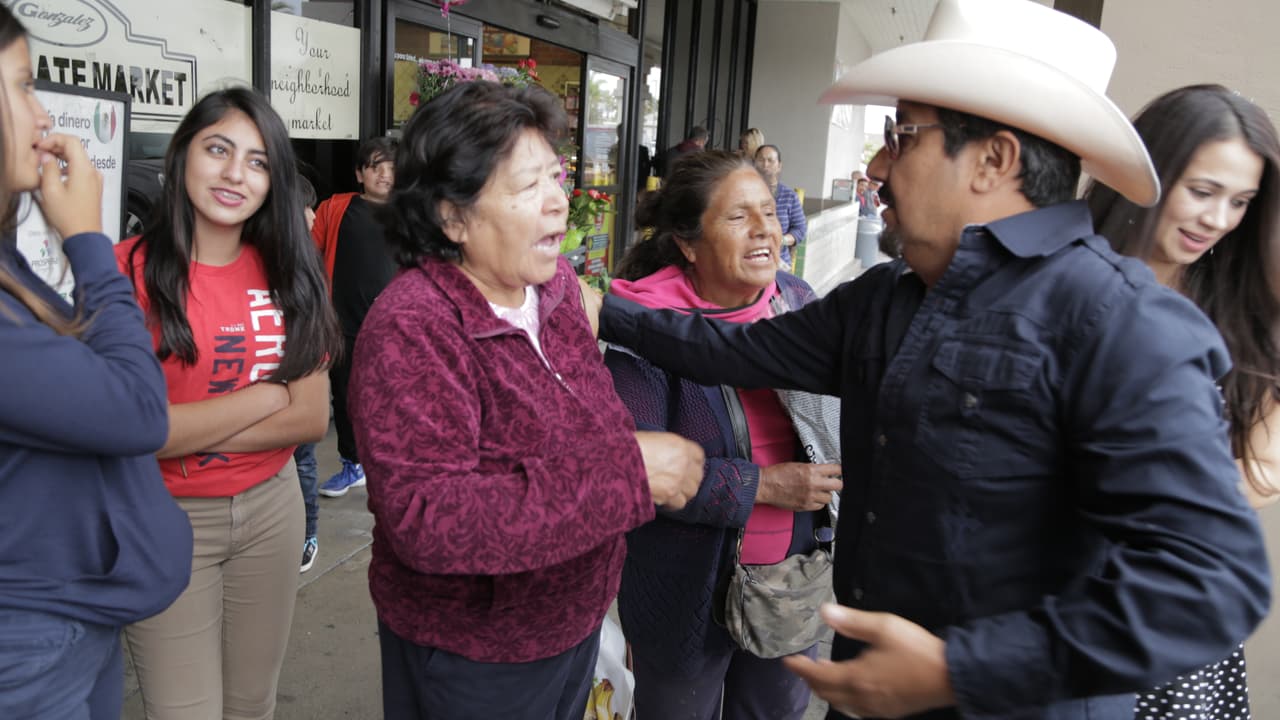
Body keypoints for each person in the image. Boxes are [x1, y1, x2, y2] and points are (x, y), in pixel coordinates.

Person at [590, 1, 1271, 718]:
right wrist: (605, 310)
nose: (879, 165)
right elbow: (727, 348)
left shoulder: (1123, 325)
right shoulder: (885, 299)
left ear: (994, 159)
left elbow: (1213, 582)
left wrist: (961, 670)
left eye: (902, 135)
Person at [347, 80, 704, 720]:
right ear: (450, 216)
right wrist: (624, 474)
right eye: (525, 187)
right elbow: (430, 520)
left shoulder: (555, 287)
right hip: (477, 657)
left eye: (555, 179)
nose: (558, 205)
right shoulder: (416, 326)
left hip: (573, 624)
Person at [117, 86, 342, 719]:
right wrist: (268, 393)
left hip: (273, 513)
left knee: (251, 705)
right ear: (182, 154)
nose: (234, 173)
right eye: (218, 149)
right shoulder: (122, 272)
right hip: (166, 518)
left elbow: (311, 419)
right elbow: (136, 431)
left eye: (257, 160)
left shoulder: (288, 273)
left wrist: (187, 427)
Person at [0, 7, 191, 718]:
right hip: (29, 639)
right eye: (21, 85)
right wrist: (88, 239)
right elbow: (139, 411)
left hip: (70, 620)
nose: (40, 112)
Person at [607, 149, 842, 719]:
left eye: (768, 211)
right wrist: (761, 486)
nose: (766, 228)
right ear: (689, 244)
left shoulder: (796, 303)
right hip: (683, 596)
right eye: (738, 217)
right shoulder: (642, 328)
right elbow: (635, 472)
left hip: (790, 584)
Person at [1087, 83, 1280, 720]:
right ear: (1144, 171)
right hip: (1047, 595)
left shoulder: (1239, 308)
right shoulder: (1065, 280)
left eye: (1241, 202)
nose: (1218, 220)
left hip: (1170, 609)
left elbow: (1257, 474)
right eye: (1202, 192)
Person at [314, 136, 398, 499]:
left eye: (391, 168)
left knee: (395, 395)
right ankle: (353, 464)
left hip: (394, 328)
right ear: (359, 174)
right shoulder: (336, 209)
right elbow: (309, 251)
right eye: (375, 167)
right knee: (346, 397)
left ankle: (397, 461)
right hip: (343, 324)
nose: (384, 175)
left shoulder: (411, 214)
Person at [296, 173, 321, 572]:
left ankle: (308, 533)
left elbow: (311, 420)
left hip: (298, 371)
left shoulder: (306, 261)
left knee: (302, 460)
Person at [754, 144, 806, 270]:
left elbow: (800, 229)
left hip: (779, 263)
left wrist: (781, 240)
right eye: (761, 160)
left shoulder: (789, 196)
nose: (765, 165)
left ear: (779, 166)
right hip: (751, 260)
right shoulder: (744, 192)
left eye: (770, 161)